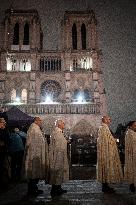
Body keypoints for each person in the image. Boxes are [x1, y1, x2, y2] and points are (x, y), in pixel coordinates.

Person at [97, 116, 123, 193]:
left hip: (106, 151)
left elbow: (107, 139)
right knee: (106, 167)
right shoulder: (104, 128)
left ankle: (106, 186)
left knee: (106, 168)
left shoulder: (104, 128)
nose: (110, 120)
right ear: (104, 120)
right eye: (108, 119)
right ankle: (105, 187)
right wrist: (116, 140)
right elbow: (107, 140)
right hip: (106, 152)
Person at [24, 117, 48, 196]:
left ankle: (34, 188)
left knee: (35, 172)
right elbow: (30, 143)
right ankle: (31, 190)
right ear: (36, 121)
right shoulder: (34, 129)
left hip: (36, 154)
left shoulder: (36, 128)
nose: (41, 122)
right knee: (33, 172)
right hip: (34, 154)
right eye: (40, 120)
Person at [49, 119, 69, 196]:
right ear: (59, 124)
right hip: (58, 155)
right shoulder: (57, 132)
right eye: (63, 123)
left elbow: (61, 142)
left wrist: (66, 141)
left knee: (59, 171)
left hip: (59, 154)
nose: (64, 125)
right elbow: (59, 145)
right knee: (57, 171)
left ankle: (58, 188)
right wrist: (67, 142)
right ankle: (55, 190)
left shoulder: (58, 132)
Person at [124, 121, 136, 192]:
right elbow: (131, 146)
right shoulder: (130, 134)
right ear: (130, 126)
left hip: (132, 155)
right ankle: (132, 186)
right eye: (135, 125)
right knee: (132, 169)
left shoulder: (132, 133)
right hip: (132, 155)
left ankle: (132, 185)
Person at [0, 118, 10, 189]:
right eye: (3, 122)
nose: (5, 123)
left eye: (5, 122)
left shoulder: (4, 130)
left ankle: (4, 183)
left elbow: (7, 140)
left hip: (3, 151)